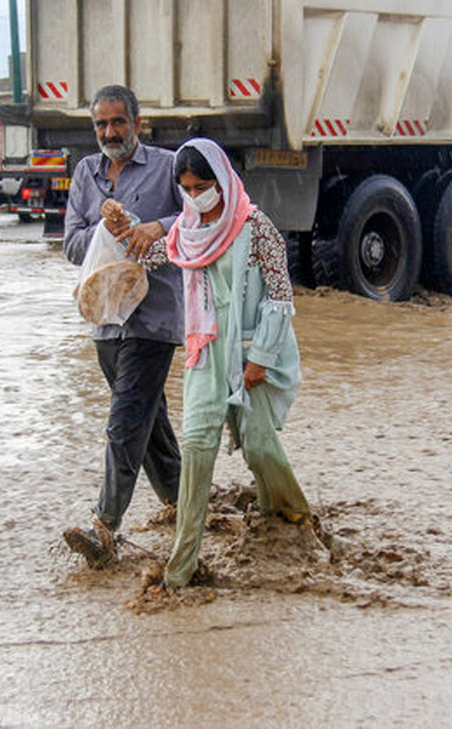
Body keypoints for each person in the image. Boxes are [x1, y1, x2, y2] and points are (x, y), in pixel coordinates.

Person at [107, 137, 310, 591]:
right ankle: (181, 568)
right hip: (203, 353)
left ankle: (292, 515)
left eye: (201, 185)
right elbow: (154, 254)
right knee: (198, 449)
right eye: (186, 187)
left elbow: (280, 295)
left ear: (221, 180)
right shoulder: (187, 228)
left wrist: (259, 358)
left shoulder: (256, 228)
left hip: (248, 350)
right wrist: (127, 229)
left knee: (258, 446)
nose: (195, 194)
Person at [61, 84, 184, 568]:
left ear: (137, 122)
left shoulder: (168, 167)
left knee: (123, 421)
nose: (109, 132)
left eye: (118, 122)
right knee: (147, 421)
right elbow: (71, 245)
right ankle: (188, 503)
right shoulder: (85, 174)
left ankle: (103, 527)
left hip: (154, 315)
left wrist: (158, 226)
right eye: (101, 124)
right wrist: (103, 229)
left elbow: (201, 215)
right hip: (105, 318)